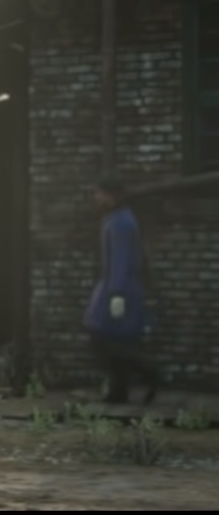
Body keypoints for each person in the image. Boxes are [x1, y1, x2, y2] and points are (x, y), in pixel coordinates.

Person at [84, 172, 159, 405]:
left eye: (99, 193)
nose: (96, 198)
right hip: (113, 285)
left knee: (104, 339)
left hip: (119, 288)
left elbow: (121, 260)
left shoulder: (121, 222)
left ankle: (147, 369)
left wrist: (116, 294)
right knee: (113, 340)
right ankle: (118, 392)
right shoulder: (115, 219)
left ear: (112, 195)